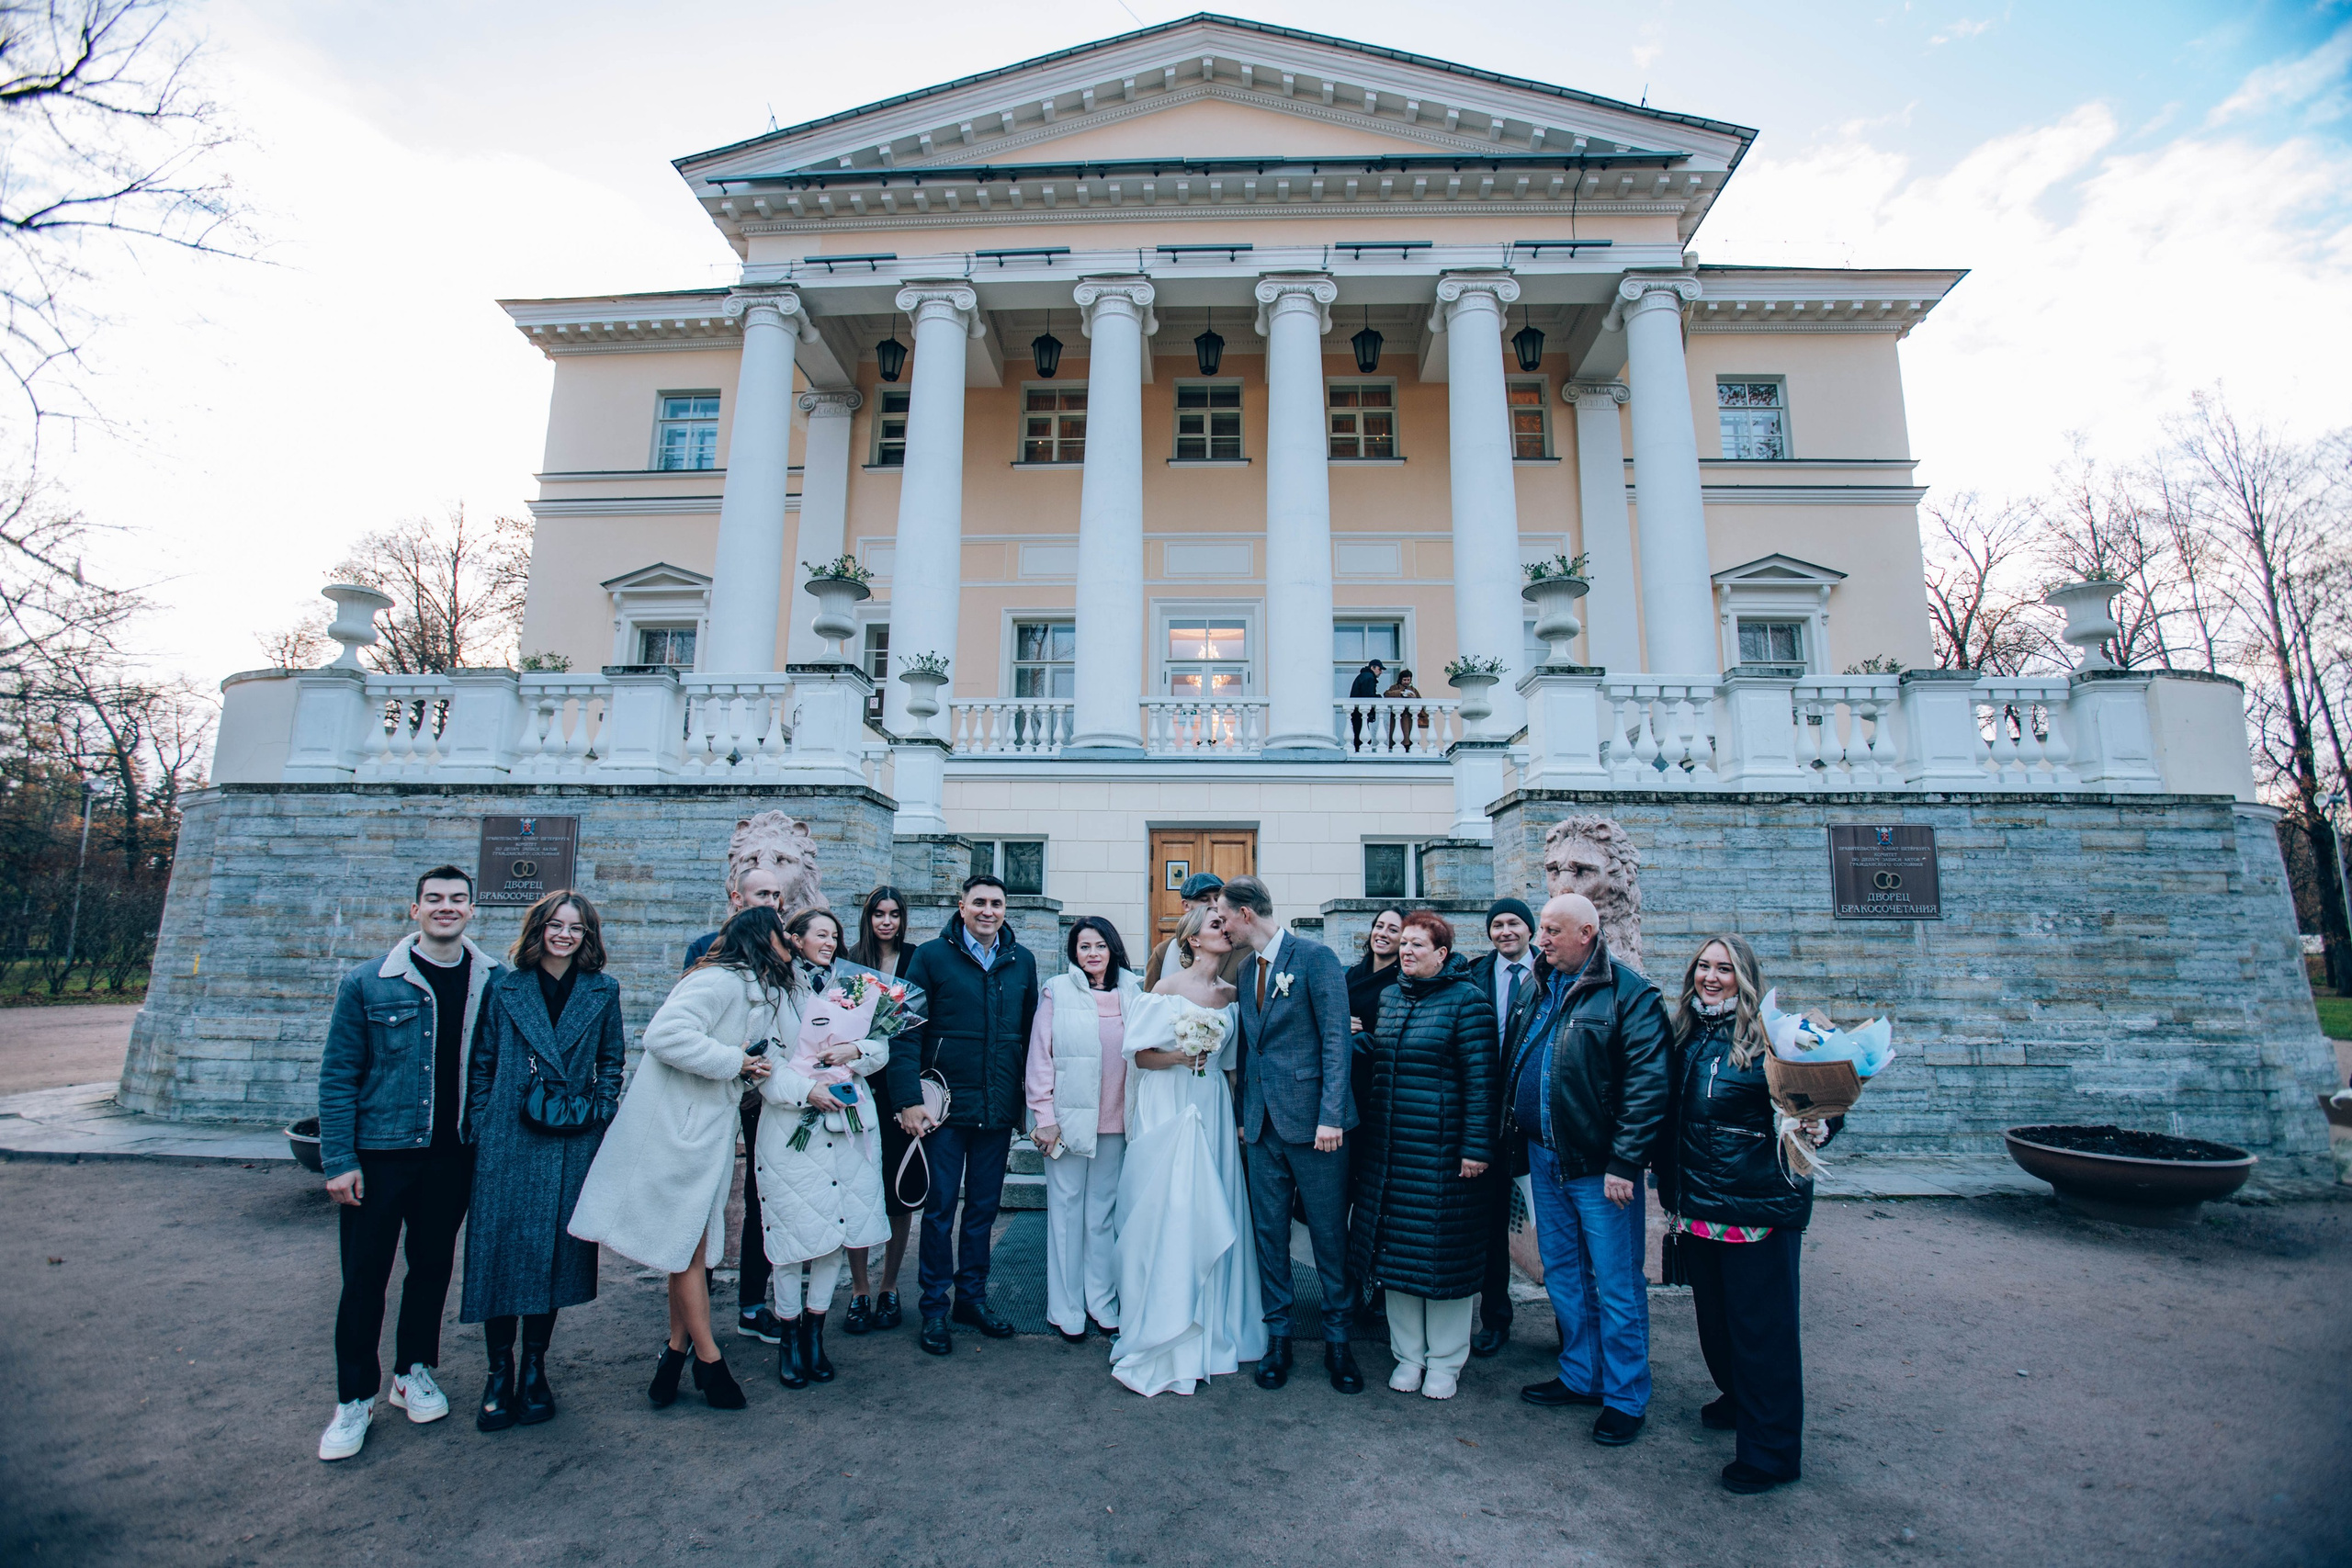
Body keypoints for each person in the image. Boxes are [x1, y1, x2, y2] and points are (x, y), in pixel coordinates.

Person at [570, 907, 792, 1412]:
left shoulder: (752, 988)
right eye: (783, 933)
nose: (791, 942)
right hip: (676, 1130)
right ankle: (709, 1360)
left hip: (702, 1129)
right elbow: (664, 1035)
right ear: (762, 937)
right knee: (688, 1246)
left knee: (686, 1246)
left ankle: (674, 1357)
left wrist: (747, 1068)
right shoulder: (719, 981)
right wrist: (735, 1062)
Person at [315, 865, 503, 1462]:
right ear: (415, 909)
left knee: (431, 1270)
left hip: (451, 1156)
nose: (446, 907)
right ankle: (353, 1398)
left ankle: (412, 1371)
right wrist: (339, 1159)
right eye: (434, 898)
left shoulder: (493, 981)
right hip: (380, 1156)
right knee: (363, 1278)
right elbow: (338, 1076)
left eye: (457, 898)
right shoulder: (367, 983)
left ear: (471, 909)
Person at [1656, 934, 1837, 1495]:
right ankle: (1739, 1400)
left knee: (1762, 1331)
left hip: (1756, 1207)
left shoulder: (1773, 1038)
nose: (1711, 977)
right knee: (1716, 1322)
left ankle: (1772, 1452)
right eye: (1703, 966)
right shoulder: (1685, 1032)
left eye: (1725, 969)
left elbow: (1821, 1102)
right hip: (1699, 1205)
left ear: (1746, 977)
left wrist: (1820, 1124)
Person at [1506, 893, 1670, 1447]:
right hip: (1544, 1154)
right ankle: (1583, 1375)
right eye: (1542, 929)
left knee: (1617, 1283)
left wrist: (1626, 1160)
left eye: (1553, 931)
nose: (1541, 940)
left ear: (1587, 933)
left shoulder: (1631, 994)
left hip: (1601, 1169)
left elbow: (1648, 1085)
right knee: (1565, 1275)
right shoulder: (1538, 983)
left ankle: (1626, 1396)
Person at [460, 890, 628, 1432]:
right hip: (508, 1136)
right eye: (556, 925)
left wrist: (600, 1112)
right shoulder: (505, 986)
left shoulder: (603, 990)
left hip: (570, 1137)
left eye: (576, 928)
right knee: (500, 1252)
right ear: (539, 929)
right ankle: (498, 1371)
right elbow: (483, 1062)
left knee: (551, 1255)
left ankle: (535, 1367)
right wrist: (483, 1123)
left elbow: (612, 1059)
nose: (564, 935)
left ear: (588, 937)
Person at [1111, 904, 1267, 1394]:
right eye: (1215, 924)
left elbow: (1233, 1068)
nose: (1225, 929)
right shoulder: (1164, 989)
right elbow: (1141, 1057)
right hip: (1170, 1105)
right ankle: (1167, 1324)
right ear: (1193, 939)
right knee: (1173, 1206)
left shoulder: (1234, 996)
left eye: (1226, 923)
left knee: (1213, 1204)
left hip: (1212, 1105)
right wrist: (1180, 1056)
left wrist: (1240, 1120)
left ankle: (1218, 1326)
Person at [1220, 874, 1363, 1395]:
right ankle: (1277, 1337)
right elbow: (1249, 1049)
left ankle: (1338, 1341)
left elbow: (1336, 1039)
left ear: (1247, 914)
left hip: (1317, 1127)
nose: (1221, 926)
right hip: (1262, 1127)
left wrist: (1331, 1115)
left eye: (1224, 917)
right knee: (1269, 1235)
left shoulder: (1315, 958)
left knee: (1329, 1235)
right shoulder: (1245, 969)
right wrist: (1244, 1113)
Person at [888, 874, 1041, 1356]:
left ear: (1005, 910)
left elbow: (1031, 1035)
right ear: (962, 906)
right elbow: (905, 1030)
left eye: (996, 903)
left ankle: (971, 1300)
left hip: (996, 1107)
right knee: (938, 1212)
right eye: (979, 903)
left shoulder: (1022, 960)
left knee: (982, 1209)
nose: (988, 911)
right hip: (943, 1111)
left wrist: (1029, 1103)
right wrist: (907, 1099)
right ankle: (934, 1307)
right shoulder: (930, 957)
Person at [1349, 911, 1497, 1400]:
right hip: (1390, 1155)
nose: (1406, 951)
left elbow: (1483, 1084)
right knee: (1395, 1259)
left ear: (1442, 954)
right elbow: (1384, 1059)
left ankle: (1445, 1362)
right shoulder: (1391, 997)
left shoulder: (1468, 1001)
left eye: (1417, 945)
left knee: (1441, 1260)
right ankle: (1408, 1356)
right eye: (1404, 944)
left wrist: (1476, 1148)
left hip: (1444, 1156)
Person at [753, 907, 889, 1390]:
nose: (830, 943)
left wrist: (856, 1051)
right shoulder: (772, 990)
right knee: (793, 1238)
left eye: (835, 936)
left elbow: (881, 1047)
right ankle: (789, 1336)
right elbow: (764, 1061)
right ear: (794, 939)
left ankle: (815, 1333)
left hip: (849, 1124)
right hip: (794, 1127)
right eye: (820, 935)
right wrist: (807, 1090)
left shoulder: (854, 987)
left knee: (837, 1232)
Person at [681, 861, 790, 1348]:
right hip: (716, 1090)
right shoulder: (707, 949)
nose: (771, 902)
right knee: (704, 1198)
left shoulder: (782, 952)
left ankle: (752, 1305)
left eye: (776, 895)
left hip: (762, 1095)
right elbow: (694, 1024)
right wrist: (734, 1064)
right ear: (737, 898)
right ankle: (691, 1318)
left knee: (760, 1196)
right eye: (762, 894)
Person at [1025, 917, 1145, 1342]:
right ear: (1073, 953)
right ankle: (1066, 1307)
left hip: (1115, 1122)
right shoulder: (1057, 991)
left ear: (1113, 948)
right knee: (1065, 1214)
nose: (1093, 954)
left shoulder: (1134, 991)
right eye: (1084, 947)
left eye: (1100, 945)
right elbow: (1040, 1057)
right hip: (1066, 1124)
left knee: (1102, 1216)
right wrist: (1044, 1117)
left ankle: (1101, 1300)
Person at [1463, 897, 1536, 1358]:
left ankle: (1573, 1326)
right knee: (1491, 1225)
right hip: (1489, 1115)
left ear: (1529, 929)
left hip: (1537, 1114)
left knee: (1548, 1220)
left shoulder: (1551, 973)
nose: (1505, 931)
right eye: (1497, 925)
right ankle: (1495, 1318)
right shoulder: (1475, 974)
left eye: (1513, 923)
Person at [842, 886, 917, 1334]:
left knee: (897, 1189)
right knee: (856, 1187)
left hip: (899, 1087)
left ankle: (889, 1285)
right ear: (868, 918)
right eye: (878, 914)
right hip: (856, 1082)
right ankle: (859, 1289)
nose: (886, 922)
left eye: (893, 914)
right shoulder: (850, 960)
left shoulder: (916, 959)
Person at [1142, 872, 1247, 988]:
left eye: (1217, 899)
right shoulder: (1163, 952)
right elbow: (1150, 995)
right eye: (1204, 900)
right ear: (1186, 905)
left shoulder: (1243, 945)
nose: (1214, 905)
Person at [1380, 669, 1426, 750]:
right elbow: (1386, 694)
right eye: (1405, 680)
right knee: (1397, 737)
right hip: (1398, 717)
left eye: (1408, 680)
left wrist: (1414, 698)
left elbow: (1420, 702)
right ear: (1400, 679)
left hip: (1410, 718)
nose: (1406, 682)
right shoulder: (1394, 687)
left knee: (1410, 738)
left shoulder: (1413, 689)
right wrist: (1400, 693)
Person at [1347, 657, 1385, 751]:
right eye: (1379, 669)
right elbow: (1368, 697)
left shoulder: (1364, 676)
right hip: (1361, 713)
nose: (1381, 672)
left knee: (1360, 736)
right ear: (1373, 667)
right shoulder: (1369, 678)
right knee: (1363, 739)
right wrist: (1378, 697)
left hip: (1357, 712)